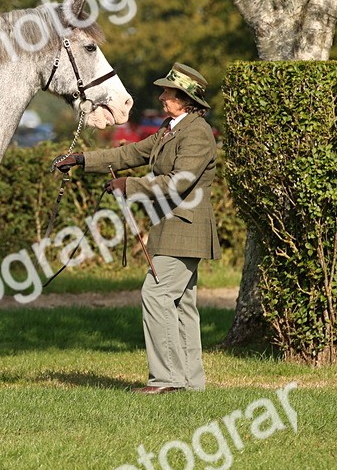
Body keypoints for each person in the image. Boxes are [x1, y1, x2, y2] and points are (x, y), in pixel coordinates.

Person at [53, 63, 220, 394]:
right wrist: (83, 160)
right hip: (171, 229)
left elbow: (178, 182)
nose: (161, 97)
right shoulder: (171, 129)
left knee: (156, 295)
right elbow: (131, 152)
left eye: (168, 93)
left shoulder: (197, 134)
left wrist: (129, 185)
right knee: (180, 304)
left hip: (184, 229)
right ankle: (189, 382)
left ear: (186, 99)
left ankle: (167, 381)